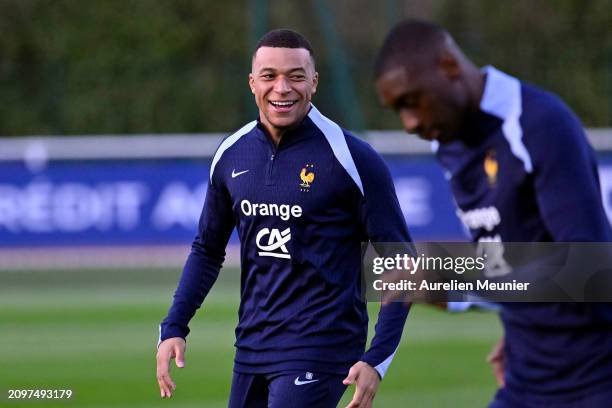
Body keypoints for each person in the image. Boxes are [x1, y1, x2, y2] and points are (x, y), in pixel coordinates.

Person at [156, 29, 412, 408]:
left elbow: (402, 262)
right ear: (251, 83)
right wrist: (174, 326)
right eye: (269, 76)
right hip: (251, 348)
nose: (282, 88)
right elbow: (208, 249)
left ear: (314, 82)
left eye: (295, 76)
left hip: (323, 347)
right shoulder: (232, 154)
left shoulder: (353, 159)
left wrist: (378, 358)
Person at [374, 20, 612, 407]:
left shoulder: (538, 125)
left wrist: (454, 274)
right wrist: (452, 294)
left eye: (412, 100)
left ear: (449, 66)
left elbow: (591, 269)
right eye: (397, 110)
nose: (410, 123)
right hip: (527, 379)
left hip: (595, 382)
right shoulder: (448, 144)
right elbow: (504, 265)